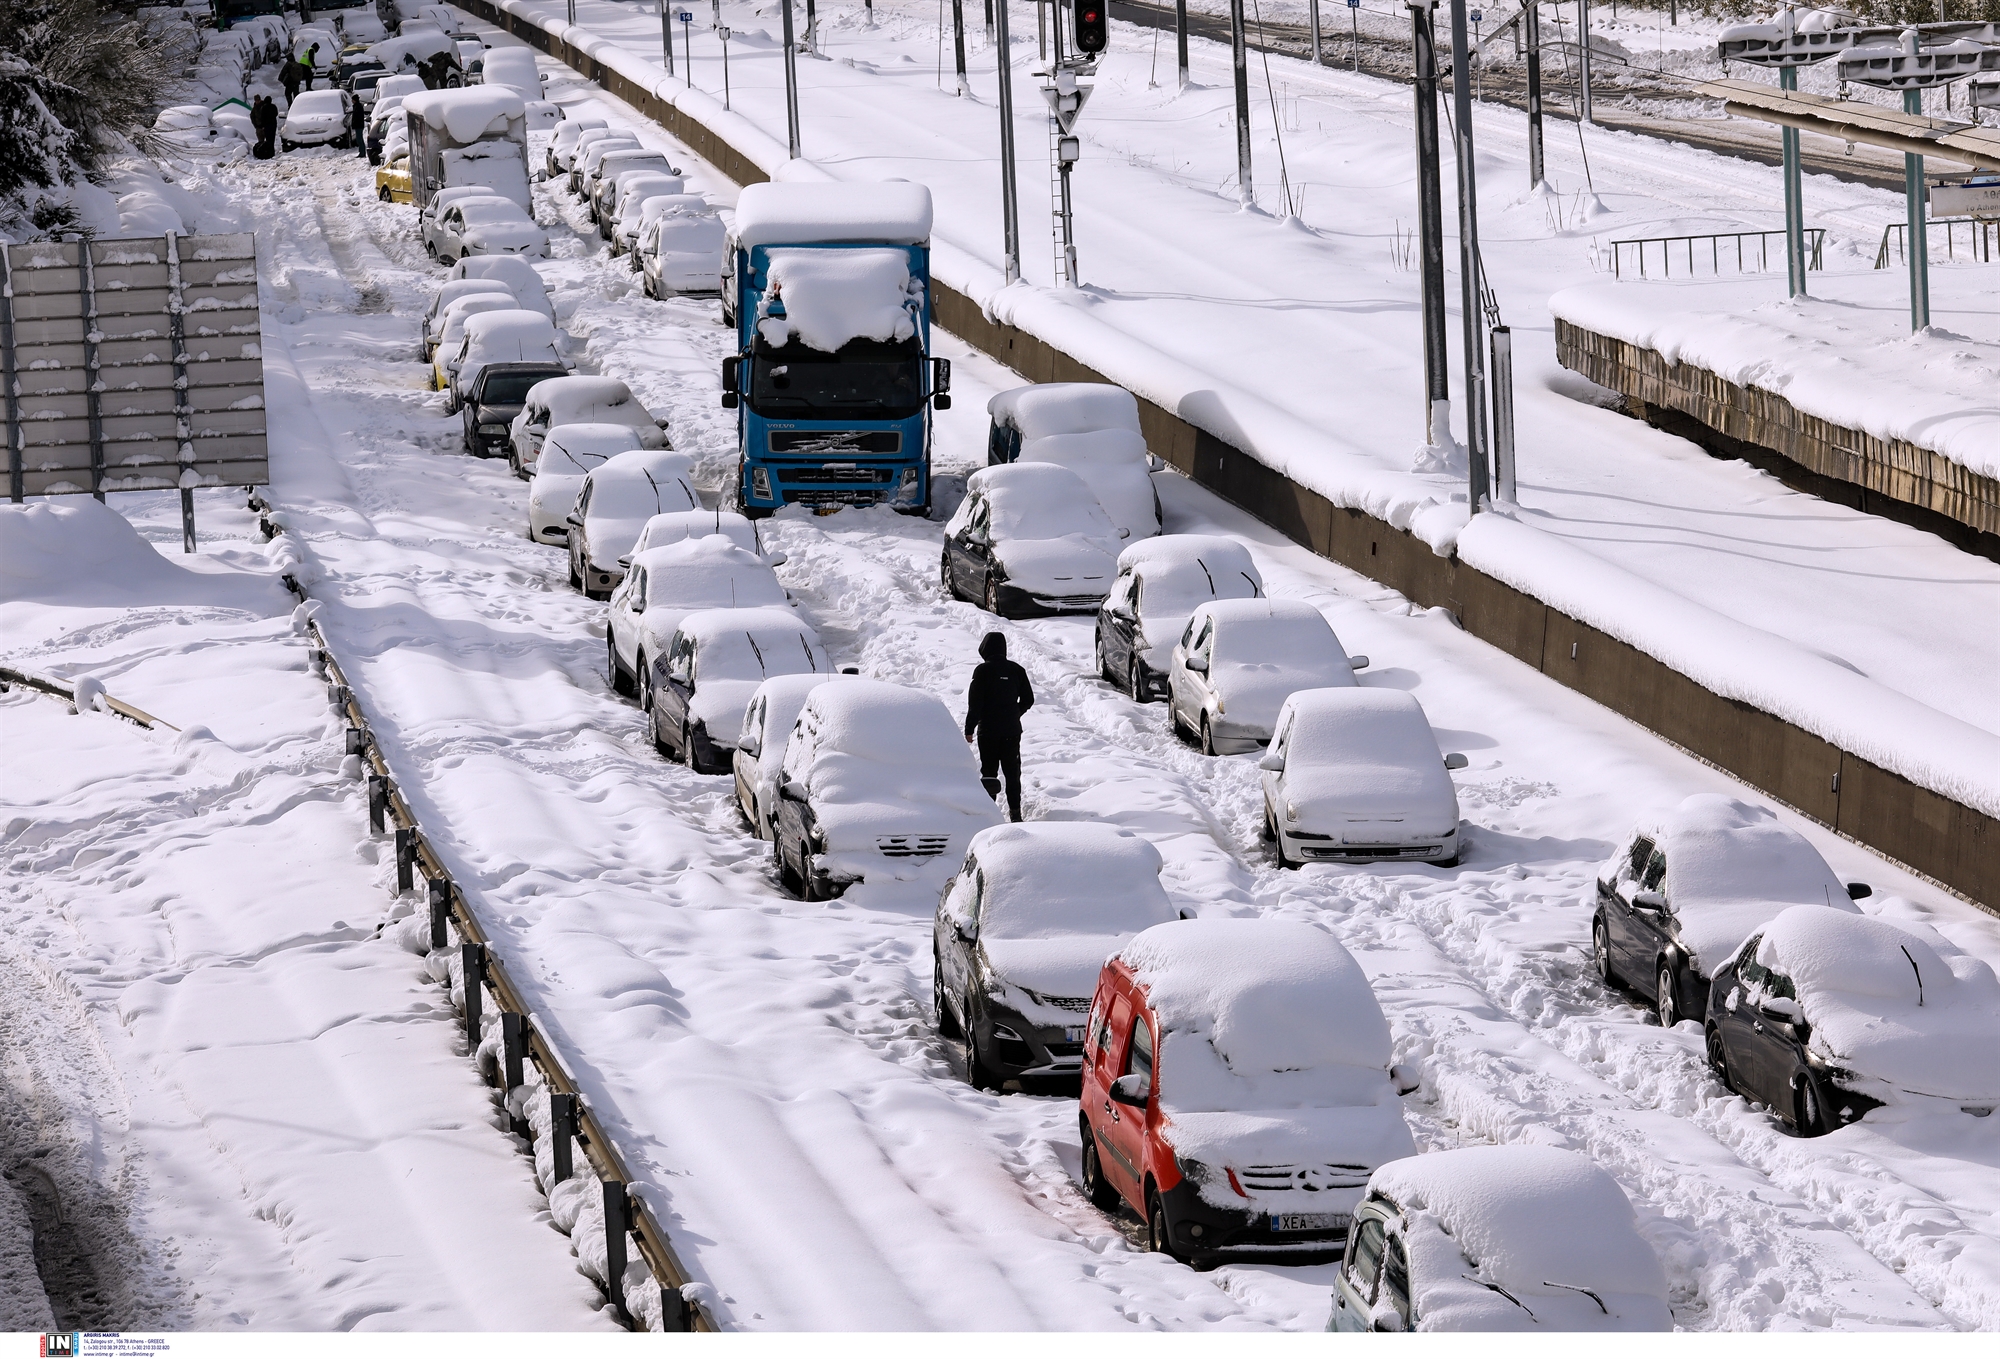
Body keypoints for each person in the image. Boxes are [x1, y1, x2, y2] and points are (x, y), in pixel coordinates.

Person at [963, 631, 1033, 822]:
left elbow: (975, 704)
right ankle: (1015, 813)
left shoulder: (982, 672)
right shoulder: (1017, 670)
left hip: (988, 732)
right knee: (1012, 773)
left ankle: (989, 814)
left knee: (989, 772)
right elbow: (1029, 699)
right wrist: (1014, 713)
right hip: (1011, 730)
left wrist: (969, 729)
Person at [251, 94, 279, 159]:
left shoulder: (263, 107)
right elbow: (276, 114)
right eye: (256, 100)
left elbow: (262, 117)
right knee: (268, 140)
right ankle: (267, 152)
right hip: (270, 125)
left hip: (265, 126)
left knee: (267, 140)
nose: (257, 101)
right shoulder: (272, 106)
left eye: (258, 100)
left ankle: (266, 153)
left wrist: (262, 125)